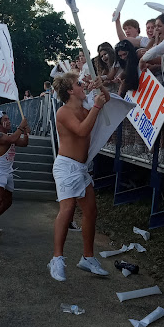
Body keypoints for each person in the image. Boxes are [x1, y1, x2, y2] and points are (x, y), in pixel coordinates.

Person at [48, 73, 110, 281]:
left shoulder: (83, 107)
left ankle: (88, 257)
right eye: (79, 84)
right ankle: (57, 258)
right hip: (66, 167)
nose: (83, 86)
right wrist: (96, 106)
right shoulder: (64, 112)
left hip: (81, 168)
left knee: (91, 211)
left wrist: (100, 88)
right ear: (70, 91)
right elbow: (83, 131)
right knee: (67, 210)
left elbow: (106, 99)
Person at [0, 111, 29, 240]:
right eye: (5, 119)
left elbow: (23, 143)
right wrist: (20, 127)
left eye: (8, 118)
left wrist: (25, 132)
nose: (8, 121)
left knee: (8, 202)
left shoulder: (7, 135)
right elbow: (13, 139)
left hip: (7, 171)